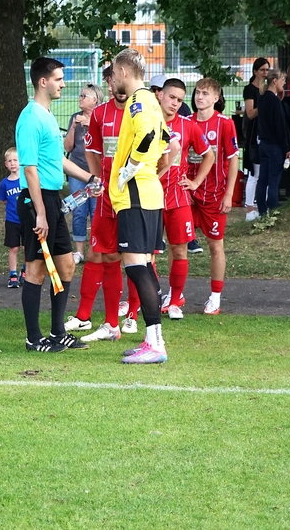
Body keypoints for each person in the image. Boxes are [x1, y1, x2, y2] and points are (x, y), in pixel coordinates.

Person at [16, 56, 96, 353]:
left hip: (53, 200)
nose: (63, 84)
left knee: (66, 265)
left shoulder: (48, 115)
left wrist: (91, 178)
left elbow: (58, 160)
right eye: (59, 79)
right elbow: (30, 170)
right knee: (36, 270)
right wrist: (40, 213)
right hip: (37, 201)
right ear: (43, 82)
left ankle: (58, 332)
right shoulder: (30, 118)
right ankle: (33, 339)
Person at [106, 49, 177, 364]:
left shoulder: (138, 100)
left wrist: (130, 168)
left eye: (113, 74)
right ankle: (152, 339)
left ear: (123, 71)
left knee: (136, 267)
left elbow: (149, 135)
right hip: (146, 195)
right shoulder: (150, 101)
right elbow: (167, 141)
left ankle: (156, 344)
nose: (112, 80)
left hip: (136, 196)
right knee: (144, 267)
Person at [64, 64, 129, 343]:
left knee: (139, 260)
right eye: (111, 80)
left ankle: (134, 318)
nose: (115, 85)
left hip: (134, 198)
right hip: (106, 198)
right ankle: (89, 317)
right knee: (98, 254)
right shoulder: (100, 114)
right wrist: (98, 179)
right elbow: (91, 151)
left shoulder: (142, 110)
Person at [157, 78, 214, 320]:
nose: (175, 103)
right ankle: (145, 298)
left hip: (178, 197)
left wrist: (196, 182)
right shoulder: (147, 122)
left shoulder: (188, 126)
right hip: (150, 195)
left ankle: (175, 300)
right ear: (160, 95)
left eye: (180, 100)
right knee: (147, 253)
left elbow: (209, 155)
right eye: (172, 97)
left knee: (179, 250)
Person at [189, 77, 240, 315]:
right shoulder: (186, 122)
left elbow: (233, 159)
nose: (200, 97)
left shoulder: (225, 124)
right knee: (178, 244)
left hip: (214, 194)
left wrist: (229, 194)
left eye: (205, 93)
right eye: (198, 92)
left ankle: (215, 297)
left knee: (215, 245)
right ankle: (175, 295)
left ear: (216, 98)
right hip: (188, 193)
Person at [64, 82, 103, 262]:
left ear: (95, 100)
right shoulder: (75, 117)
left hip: (96, 172)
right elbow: (68, 147)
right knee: (79, 210)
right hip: (77, 170)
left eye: (83, 96)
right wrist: (73, 127)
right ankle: (79, 251)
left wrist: (92, 126)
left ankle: (96, 248)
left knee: (96, 211)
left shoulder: (101, 117)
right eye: (80, 95)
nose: (80, 98)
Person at [254, 70, 290, 217]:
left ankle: (262, 211)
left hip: (263, 144)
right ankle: (273, 210)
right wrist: (287, 147)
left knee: (262, 179)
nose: (285, 83)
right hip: (275, 146)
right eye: (283, 80)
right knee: (273, 181)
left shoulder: (262, 98)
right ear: (275, 81)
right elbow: (280, 127)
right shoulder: (275, 102)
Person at [242, 57, 270, 221]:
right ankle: (250, 208)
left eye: (267, 70)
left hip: (266, 133)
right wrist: (265, 105)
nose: (265, 73)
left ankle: (262, 206)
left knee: (265, 173)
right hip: (254, 134)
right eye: (262, 70)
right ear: (255, 71)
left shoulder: (267, 89)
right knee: (255, 173)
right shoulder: (250, 90)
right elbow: (250, 113)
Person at [0, 147, 23, 288]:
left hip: (26, 220)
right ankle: (13, 274)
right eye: (9, 161)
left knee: (27, 247)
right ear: (6, 164)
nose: (13, 163)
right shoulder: (4, 183)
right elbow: (4, 200)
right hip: (12, 221)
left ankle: (25, 271)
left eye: (15, 160)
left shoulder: (25, 180)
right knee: (14, 248)